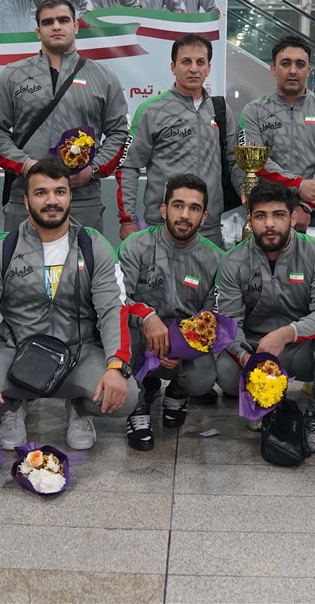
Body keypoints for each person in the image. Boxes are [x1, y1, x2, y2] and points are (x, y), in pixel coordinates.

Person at [0, 157, 139, 450]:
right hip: (16, 351)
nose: (52, 200)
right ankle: (13, 405)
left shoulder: (94, 245)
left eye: (59, 192)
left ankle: (79, 408)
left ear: (70, 197)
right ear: (26, 201)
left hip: (78, 353)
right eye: (41, 193)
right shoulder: (1, 247)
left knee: (126, 395)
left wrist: (115, 366)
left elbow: (113, 310)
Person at [216, 181, 315, 453]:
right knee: (225, 372)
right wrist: (247, 359)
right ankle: (264, 400)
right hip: (255, 349)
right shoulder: (232, 260)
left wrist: (287, 334)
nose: (270, 224)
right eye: (261, 216)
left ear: (293, 217)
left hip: (300, 346)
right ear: (249, 219)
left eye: (279, 215)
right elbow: (228, 322)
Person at [0, 0, 129, 231]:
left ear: (76, 26)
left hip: (83, 200)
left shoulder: (104, 77)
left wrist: (92, 169)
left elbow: (119, 133)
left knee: (83, 256)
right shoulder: (12, 75)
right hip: (26, 198)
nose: (56, 26)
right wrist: (26, 165)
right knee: (21, 256)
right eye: (48, 22)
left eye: (63, 20)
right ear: (38, 31)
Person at [117, 174, 224, 449]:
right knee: (122, 336)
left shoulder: (215, 258)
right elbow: (118, 299)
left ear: (204, 217)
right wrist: (147, 316)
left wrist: (183, 344)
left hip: (186, 340)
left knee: (203, 378)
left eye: (194, 208)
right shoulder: (136, 246)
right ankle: (138, 403)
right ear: (164, 210)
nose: (185, 215)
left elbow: (212, 315)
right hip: (142, 334)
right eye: (178, 205)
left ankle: (178, 390)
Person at [118, 34, 241, 245]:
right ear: (173, 67)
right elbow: (128, 166)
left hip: (209, 228)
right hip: (163, 228)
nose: (193, 69)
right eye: (186, 62)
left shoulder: (220, 110)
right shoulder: (151, 110)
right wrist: (128, 219)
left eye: (200, 62)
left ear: (208, 68)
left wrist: (247, 193)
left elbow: (234, 161)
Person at [238, 35, 315, 231]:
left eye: (300, 64)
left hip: (312, 217)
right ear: (273, 69)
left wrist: (305, 207)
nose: (293, 71)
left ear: (309, 70)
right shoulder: (253, 111)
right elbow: (256, 163)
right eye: (285, 63)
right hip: (266, 214)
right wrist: (299, 184)